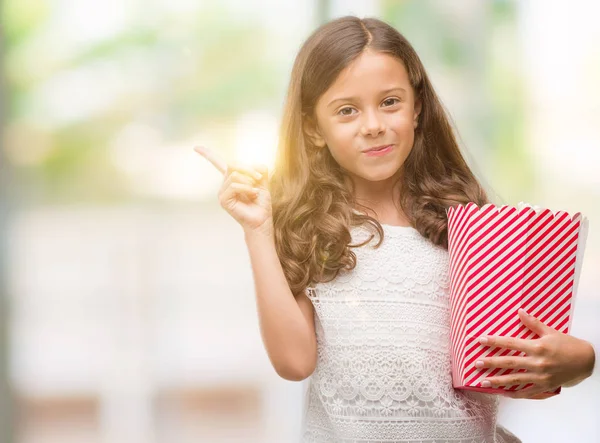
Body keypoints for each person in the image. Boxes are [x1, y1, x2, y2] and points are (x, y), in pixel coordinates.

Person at [196, 16, 595, 443]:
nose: (373, 125)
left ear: (417, 107)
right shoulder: (310, 228)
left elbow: (514, 365)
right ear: (313, 127)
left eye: (390, 102)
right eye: (347, 110)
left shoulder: (467, 223)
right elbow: (294, 362)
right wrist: (257, 229)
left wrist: (581, 362)